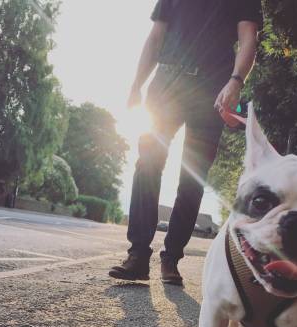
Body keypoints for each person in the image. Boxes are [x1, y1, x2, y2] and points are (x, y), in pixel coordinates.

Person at [109, 0, 263, 285]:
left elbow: (247, 39)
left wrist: (236, 81)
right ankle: (138, 255)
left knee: (193, 176)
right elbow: (156, 37)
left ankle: (171, 258)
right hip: (166, 84)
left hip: (211, 89)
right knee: (148, 163)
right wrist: (136, 85)